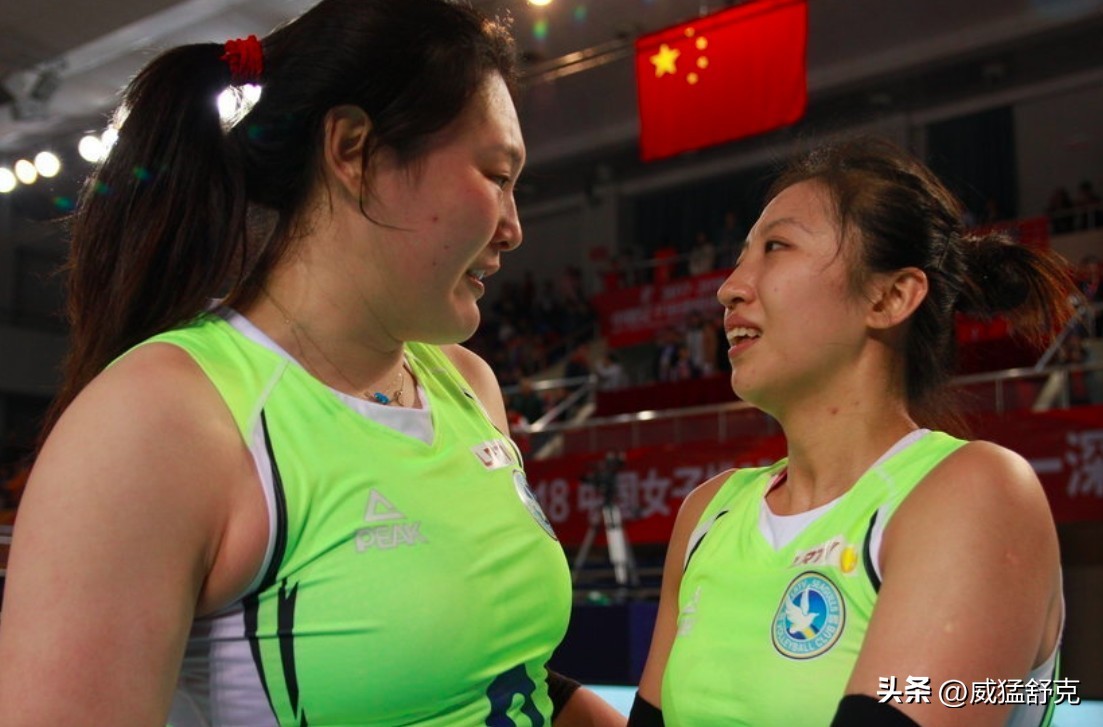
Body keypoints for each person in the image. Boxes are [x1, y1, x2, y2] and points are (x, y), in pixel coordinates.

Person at [0, 2, 625, 725]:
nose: (513, 228)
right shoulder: (161, 420)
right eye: (495, 175)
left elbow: (502, 679)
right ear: (353, 149)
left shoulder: (466, 383)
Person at [631, 138, 1076, 726]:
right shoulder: (708, 514)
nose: (729, 287)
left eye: (776, 247)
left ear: (890, 297)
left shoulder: (977, 492)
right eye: (742, 255)